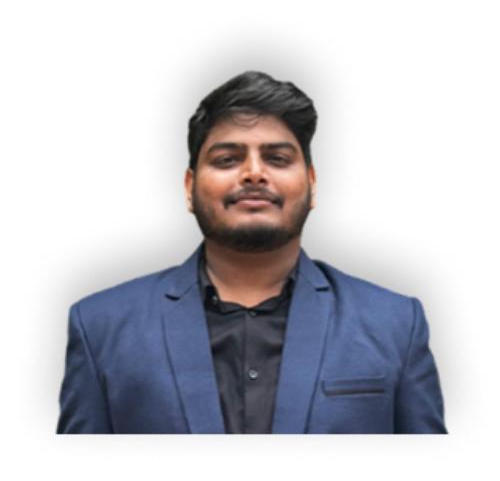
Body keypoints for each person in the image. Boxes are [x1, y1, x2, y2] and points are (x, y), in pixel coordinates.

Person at [56, 70, 447, 434]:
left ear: (311, 184)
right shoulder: (101, 328)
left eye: (277, 159)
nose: (254, 173)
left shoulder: (394, 324)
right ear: (189, 188)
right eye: (227, 159)